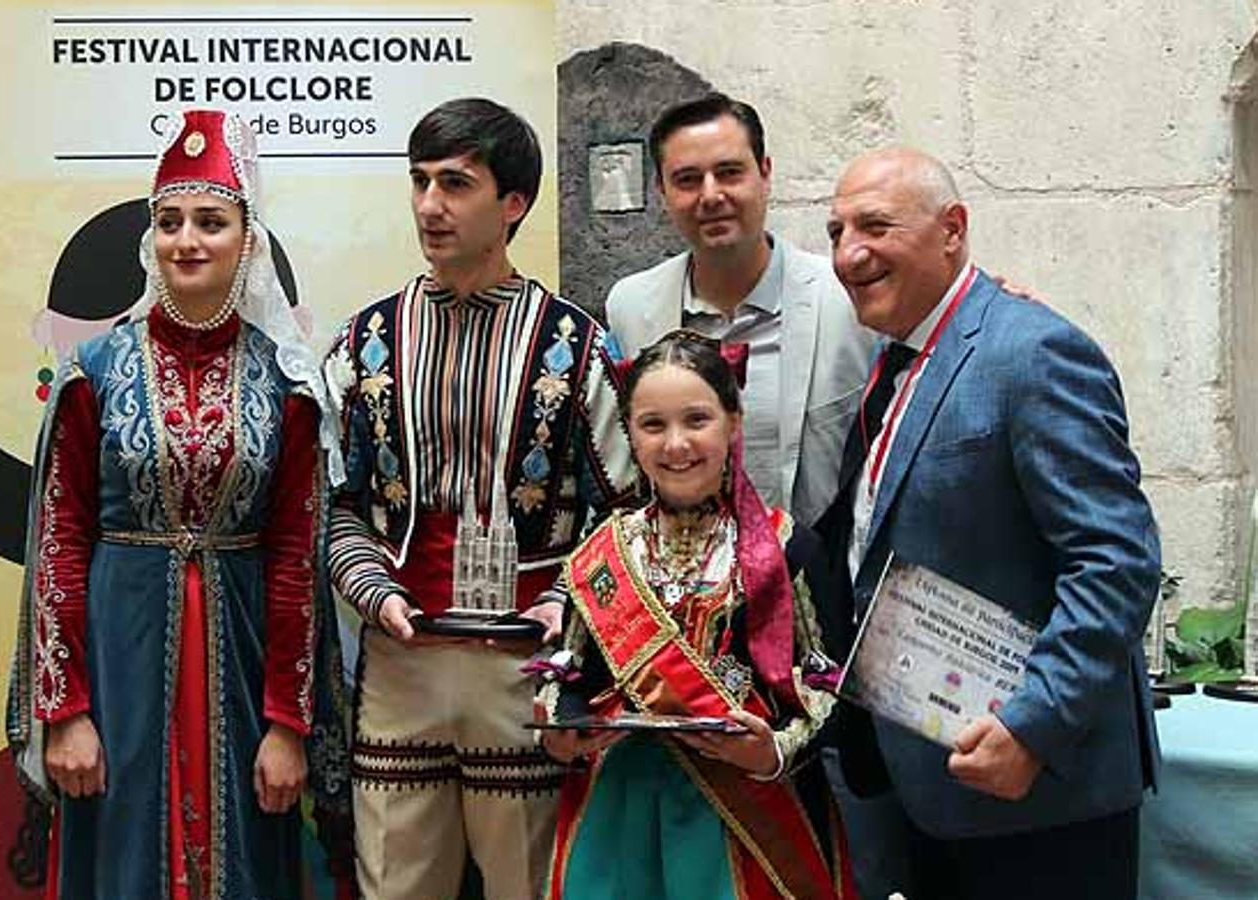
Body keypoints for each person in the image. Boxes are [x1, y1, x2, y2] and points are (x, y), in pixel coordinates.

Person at [5, 109, 351, 899]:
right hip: (118, 663)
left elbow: (298, 554)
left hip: (242, 661)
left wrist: (288, 726)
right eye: (168, 222)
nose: (186, 240)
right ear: (148, 241)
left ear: (247, 242)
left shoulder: (284, 384)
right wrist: (66, 712)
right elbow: (59, 539)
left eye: (210, 222)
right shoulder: (93, 370)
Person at [818, 147, 1160, 899]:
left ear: (952, 230)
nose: (848, 253)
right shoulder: (893, 361)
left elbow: (1115, 560)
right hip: (928, 783)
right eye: (835, 231)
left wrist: (1034, 724)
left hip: (1036, 799)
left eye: (874, 226)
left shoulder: (1031, 351)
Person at [324, 97, 637, 899]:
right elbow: (329, 503)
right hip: (399, 663)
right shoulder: (365, 342)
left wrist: (565, 600)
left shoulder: (575, 346)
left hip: (525, 670)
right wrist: (374, 589)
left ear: (513, 204)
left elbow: (627, 508)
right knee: (393, 883)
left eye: (455, 183)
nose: (430, 204)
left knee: (530, 885)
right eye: (420, 181)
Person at [536, 331, 855, 900]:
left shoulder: (786, 547)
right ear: (629, 434)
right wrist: (561, 727)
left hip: (748, 811)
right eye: (653, 425)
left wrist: (774, 748)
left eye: (697, 420)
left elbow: (829, 679)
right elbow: (572, 670)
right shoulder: (605, 547)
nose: (676, 444)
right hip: (621, 810)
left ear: (734, 422)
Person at [605, 93, 872, 526]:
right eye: (688, 179)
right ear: (662, 192)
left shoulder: (846, 298)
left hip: (817, 579)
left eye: (729, 173)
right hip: (680, 577)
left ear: (765, 174)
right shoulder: (631, 308)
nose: (711, 196)